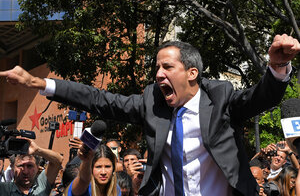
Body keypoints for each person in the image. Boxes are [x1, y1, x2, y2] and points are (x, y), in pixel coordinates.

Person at [0, 34, 299, 195]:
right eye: (156, 67)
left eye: (167, 67)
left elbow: (261, 98)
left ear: (191, 72)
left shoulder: (220, 98)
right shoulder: (151, 103)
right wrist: (39, 83)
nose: (158, 75)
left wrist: (277, 68)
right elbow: (99, 98)